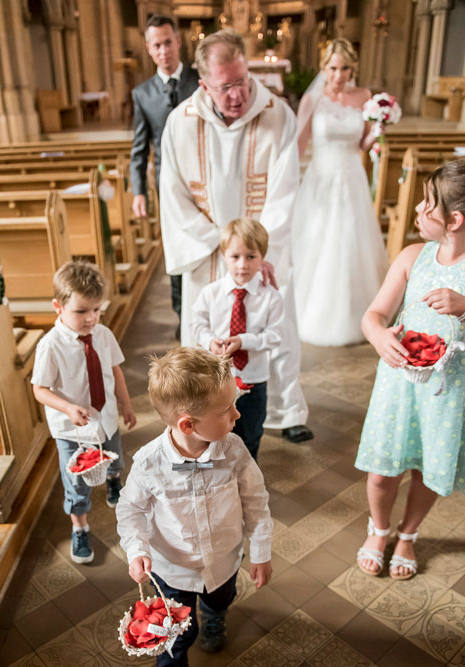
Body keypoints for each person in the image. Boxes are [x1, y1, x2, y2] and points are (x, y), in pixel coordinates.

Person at [159, 29, 313, 443]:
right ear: (204, 82)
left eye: (242, 81)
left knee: (273, 327)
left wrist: (257, 253)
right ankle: (204, 414)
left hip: (259, 253)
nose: (237, 93)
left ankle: (283, 408)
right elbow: (171, 192)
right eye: (225, 86)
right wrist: (217, 241)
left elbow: (284, 192)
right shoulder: (180, 123)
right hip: (208, 251)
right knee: (205, 336)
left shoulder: (277, 114)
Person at [116, 347, 272, 666]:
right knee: (175, 635)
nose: (237, 415)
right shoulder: (149, 463)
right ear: (188, 425)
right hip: (173, 568)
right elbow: (130, 510)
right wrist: (137, 550)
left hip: (224, 558)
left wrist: (261, 551)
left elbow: (256, 501)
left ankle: (214, 616)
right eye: (227, 409)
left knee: (221, 597)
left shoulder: (234, 450)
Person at [355, 158, 465, 581]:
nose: (417, 211)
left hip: (448, 391)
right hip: (399, 385)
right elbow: (374, 315)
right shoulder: (413, 257)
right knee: (383, 469)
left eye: (426, 204)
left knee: (424, 467)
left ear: (454, 220)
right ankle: (378, 529)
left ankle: (408, 535)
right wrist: (380, 336)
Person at [32, 261, 137, 564]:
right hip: (71, 430)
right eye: (81, 312)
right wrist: (67, 407)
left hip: (106, 418)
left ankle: (114, 482)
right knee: (76, 484)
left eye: (96, 310)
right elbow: (40, 389)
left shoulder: (102, 334)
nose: (91, 318)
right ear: (58, 306)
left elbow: (114, 370)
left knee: (115, 455)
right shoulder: (50, 346)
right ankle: (80, 529)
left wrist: (126, 404)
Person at [291, 38, 388, 346]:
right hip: (321, 179)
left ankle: (357, 313)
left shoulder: (365, 97)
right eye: (333, 68)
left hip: (351, 177)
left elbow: (361, 144)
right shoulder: (313, 100)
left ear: (352, 68)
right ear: (325, 67)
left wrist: (378, 130)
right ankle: (314, 311)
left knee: (350, 241)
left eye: (345, 68)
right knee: (319, 241)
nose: (339, 75)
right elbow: (298, 146)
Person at [130, 15, 201, 337]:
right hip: (166, 184)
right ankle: (181, 315)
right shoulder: (142, 94)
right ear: (148, 48)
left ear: (178, 41)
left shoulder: (201, 80)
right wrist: (139, 191)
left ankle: (205, 309)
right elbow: (139, 148)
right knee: (175, 248)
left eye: (168, 42)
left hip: (203, 178)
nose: (164, 50)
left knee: (205, 243)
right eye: (156, 45)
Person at [191, 219, 284, 460]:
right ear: (224, 256)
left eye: (251, 256)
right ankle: (219, 479)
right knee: (213, 434)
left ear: (262, 257)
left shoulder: (270, 297)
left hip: (253, 379)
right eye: (235, 256)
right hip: (218, 380)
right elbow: (196, 323)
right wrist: (210, 341)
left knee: (250, 433)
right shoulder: (211, 293)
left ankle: (246, 477)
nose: (243, 265)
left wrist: (243, 341)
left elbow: (275, 336)